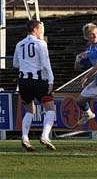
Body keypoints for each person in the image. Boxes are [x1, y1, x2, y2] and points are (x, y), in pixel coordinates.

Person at [13, 19, 56, 151]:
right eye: (40, 29)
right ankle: (44, 136)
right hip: (37, 81)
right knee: (50, 108)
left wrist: (27, 64)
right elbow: (45, 63)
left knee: (30, 110)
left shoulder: (19, 44)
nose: (41, 32)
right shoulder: (40, 43)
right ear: (35, 30)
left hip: (23, 82)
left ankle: (25, 138)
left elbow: (15, 63)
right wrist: (51, 80)